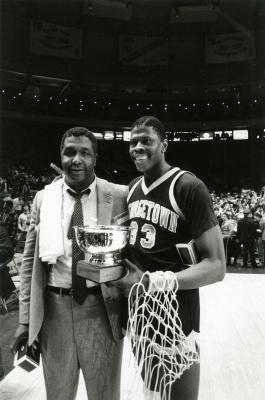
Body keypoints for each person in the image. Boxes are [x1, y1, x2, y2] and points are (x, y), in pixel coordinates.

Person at [111, 116, 226, 400]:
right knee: (152, 393)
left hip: (177, 316)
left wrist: (152, 282)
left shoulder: (188, 186)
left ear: (164, 144)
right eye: (133, 142)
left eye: (146, 141)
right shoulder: (133, 188)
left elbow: (216, 266)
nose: (137, 147)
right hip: (140, 314)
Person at [12, 127, 128, 400]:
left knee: (105, 395)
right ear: (60, 156)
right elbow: (29, 263)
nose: (77, 159)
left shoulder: (118, 195)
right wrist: (25, 320)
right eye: (69, 152)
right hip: (54, 312)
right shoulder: (43, 198)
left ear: (95, 158)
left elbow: (128, 255)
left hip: (101, 310)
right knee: (58, 395)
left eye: (84, 153)